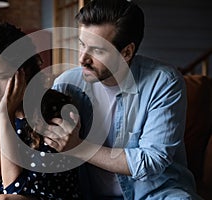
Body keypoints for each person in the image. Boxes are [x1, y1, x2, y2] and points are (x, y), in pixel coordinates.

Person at [44, 0, 203, 199]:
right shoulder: (67, 84)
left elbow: (151, 161)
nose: (82, 59)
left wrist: (79, 147)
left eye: (97, 51)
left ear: (126, 52)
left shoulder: (163, 82)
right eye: (82, 45)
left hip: (155, 193)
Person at [0, 22, 80, 200]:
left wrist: (5, 115)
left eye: (1, 76)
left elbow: (15, 189)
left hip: (48, 196)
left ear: (24, 72)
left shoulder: (55, 110)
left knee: (2, 199)